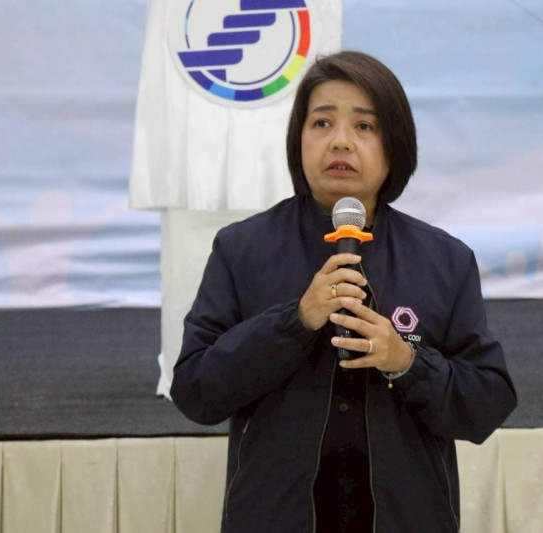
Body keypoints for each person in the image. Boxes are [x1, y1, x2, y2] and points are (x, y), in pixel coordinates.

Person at [171, 51, 517, 533]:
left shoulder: (445, 260)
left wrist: (407, 361)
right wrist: (294, 321)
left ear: (395, 146)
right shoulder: (242, 249)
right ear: (298, 141)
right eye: (322, 123)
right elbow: (195, 392)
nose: (340, 141)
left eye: (364, 126)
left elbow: (487, 404)